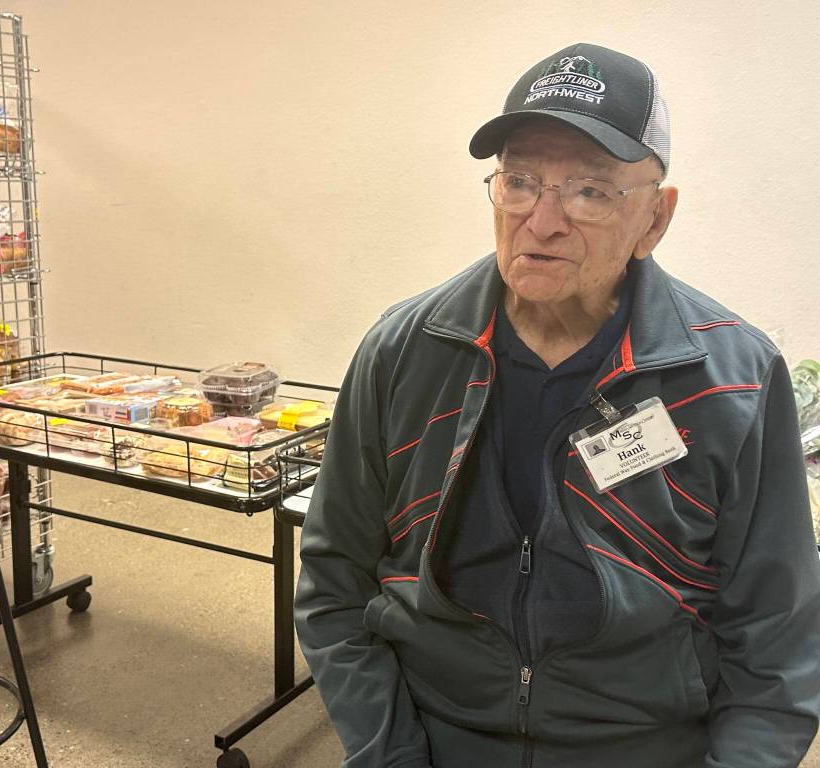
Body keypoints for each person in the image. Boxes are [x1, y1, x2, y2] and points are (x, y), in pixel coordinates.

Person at [294, 43, 820, 768]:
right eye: (520, 181)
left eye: (590, 192)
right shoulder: (405, 352)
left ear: (655, 219)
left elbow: (778, 636)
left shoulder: (731, 380)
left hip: (643, 747)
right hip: (436, 737)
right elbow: (334, 584)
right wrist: (391, 755)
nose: (541, 221)